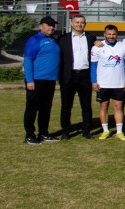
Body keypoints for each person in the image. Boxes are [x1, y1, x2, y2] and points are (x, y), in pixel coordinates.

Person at [23, 16, 62, 145]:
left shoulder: (53, 40)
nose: (51, 27)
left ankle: (43, 133)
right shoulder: (34, 40)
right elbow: (28, 60)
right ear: (41, 26)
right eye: (48, 25)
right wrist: (30, 80)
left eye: (53, 25)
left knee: (46, 108)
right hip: (36, 80)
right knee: (32, 108)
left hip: (50, 81)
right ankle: (29, 135)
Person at [91, 25, 125, 140]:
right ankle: (105, 131)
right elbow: (94, 66)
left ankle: (119, 132)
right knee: (103, 106)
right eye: (109, 34)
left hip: (119, 83)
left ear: (117, 34)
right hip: (103, 83)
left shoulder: (124, 47)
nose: (111, 36)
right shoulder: (96, 47)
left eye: (113, 34)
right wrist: (93, 81)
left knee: (118, 106)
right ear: (104, 34)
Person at [58, 14, 96, 140]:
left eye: (82, 22)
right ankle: (65, 131)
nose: (79, 24)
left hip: (85, 75)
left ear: (85, 24)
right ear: (72, 23)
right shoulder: (62, 38)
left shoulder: (91, 37)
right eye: (77, 22)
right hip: (69, 75)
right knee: (66, 106)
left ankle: (87, 130)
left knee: (86, 105)